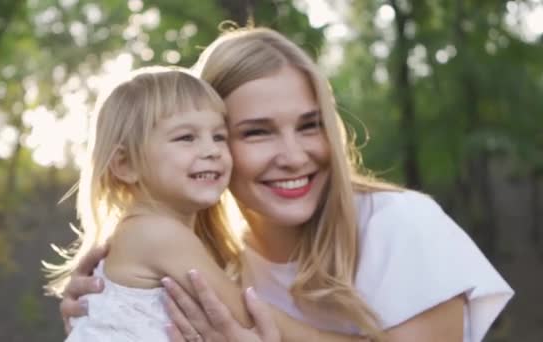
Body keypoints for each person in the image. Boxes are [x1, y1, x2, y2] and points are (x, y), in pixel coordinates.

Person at [56, 28, 514, 342]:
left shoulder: (401, 227)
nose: (295, 156)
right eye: (256, 131)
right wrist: (110, 310)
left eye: (310, 125)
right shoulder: (211, 258)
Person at [52, 65, 372, 342]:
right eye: (186, 138)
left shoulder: (146, 232)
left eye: (219, 137)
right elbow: (244, 313)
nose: (212, 150)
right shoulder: (157, 234)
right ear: (125, 165)